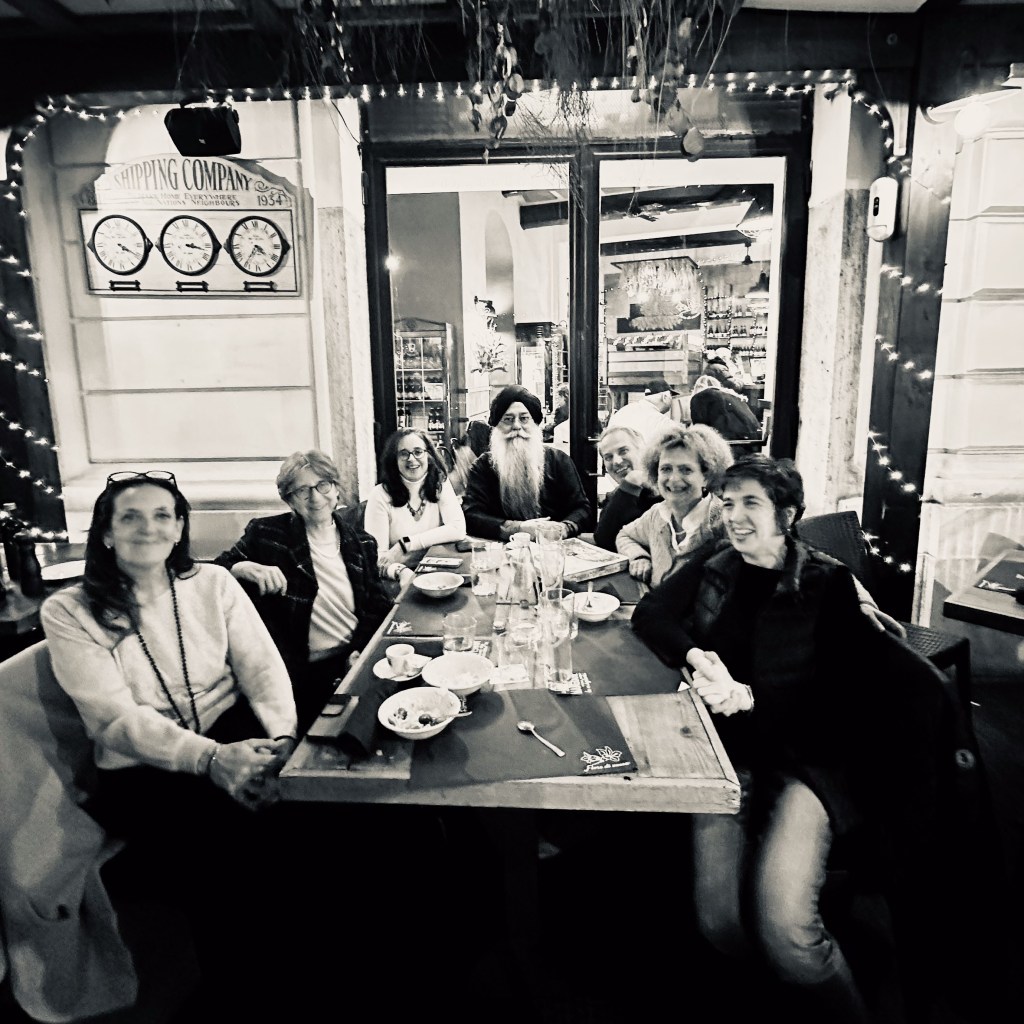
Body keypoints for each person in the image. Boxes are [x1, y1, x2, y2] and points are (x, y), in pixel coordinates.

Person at [630, 455, 944, 1023]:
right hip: (725, 757)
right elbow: (651, 613)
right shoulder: (717, 562)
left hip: (807, 763)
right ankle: (777, 999)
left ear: (788, 513)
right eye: (728, 503)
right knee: (720, 924)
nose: (734, 516)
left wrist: (751, 698)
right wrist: (698, 657)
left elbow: (847, 702)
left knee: (789, 936)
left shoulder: (827, 584)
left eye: (750, 503)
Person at [39, 471, 300, 998]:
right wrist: (211, 760)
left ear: (180, 528)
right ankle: (236, 989)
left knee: (307, 821)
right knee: (224, 855)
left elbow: (262, 669)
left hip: (234, 733)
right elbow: (114, 720)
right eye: (130, 517)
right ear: (106, 533)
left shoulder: (213, 583)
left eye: (163, 515)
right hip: (144, 766)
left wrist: (282, 741)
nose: (149, 527)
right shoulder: (69, 611)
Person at [215, 450, 393, 734]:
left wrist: (359, 650)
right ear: (289, 500)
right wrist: (242, 567)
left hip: (348, 661)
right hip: (293, 672)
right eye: (302, 490)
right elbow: (213, 572)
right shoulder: (267, 535)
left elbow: (376, 604)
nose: (316, 497)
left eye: (323, 485)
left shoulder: (362, 542)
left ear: (336, 489)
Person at [463, 384, 591, 541]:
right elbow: (471, 514)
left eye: (524, 419)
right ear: (497, 426)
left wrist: (563, 528)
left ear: (535, 423)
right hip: (503, 549)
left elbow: (582, 509)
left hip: (553, 547)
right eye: (508, 419)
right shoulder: (483, 466)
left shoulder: (559, 460)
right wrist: (518, 529)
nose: (516, 426)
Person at [615, 424, 734, 586]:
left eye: (686, 470)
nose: (674, 479)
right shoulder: (656, 514)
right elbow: (624, 535)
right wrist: (639, 557)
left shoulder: (726, 523)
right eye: (666, 469)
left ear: (706, 476)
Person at [364, 428, 466, 578]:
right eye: (403, 454)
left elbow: (458, 528)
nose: (411, 459)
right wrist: (401, 572)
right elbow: (377, 559)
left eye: (418, 452)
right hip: (398, 577)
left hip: (436, 571)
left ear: (429, 455)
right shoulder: (379, 495)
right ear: (394, 459)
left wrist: (406, 544)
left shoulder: (440, 484)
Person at [593, 424, 661, 552]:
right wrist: (630, 483)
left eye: (623, 451)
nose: (616, 461)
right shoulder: (617, 495)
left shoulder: (666, 489)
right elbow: (603, 539)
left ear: (643, 450)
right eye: (608, 457)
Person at [689, 374, 763, 441]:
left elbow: (699, 430)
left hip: (732, 444)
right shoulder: (733, 396)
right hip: (753, 442)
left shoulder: (701, 397)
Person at [606, 377, 681, 444]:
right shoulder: (662, 422)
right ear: (665, 397)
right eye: (671, 397)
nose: (671, 400)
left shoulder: (622, 412)